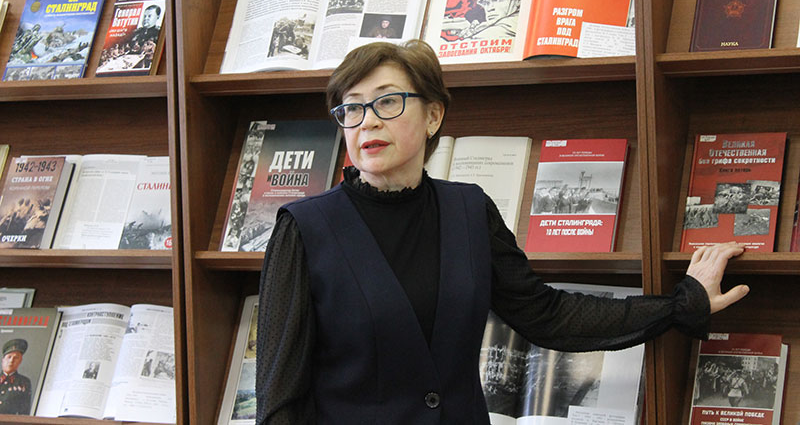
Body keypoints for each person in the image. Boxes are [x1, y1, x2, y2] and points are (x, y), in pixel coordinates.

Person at [256, 40, 749, 424]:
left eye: (387, 102)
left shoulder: (468, 209)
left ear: (433, 116)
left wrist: (683, 303)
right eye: (351, 108)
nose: (367, 122)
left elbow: (547, 315)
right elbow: (280, 400)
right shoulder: (304, 229)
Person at [0, 338, 32, 415]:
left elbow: (24, 413)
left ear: (20, 361)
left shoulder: (24, 382)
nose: (11, 361)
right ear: (3, 360)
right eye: (9, 357)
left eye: (16, 358)